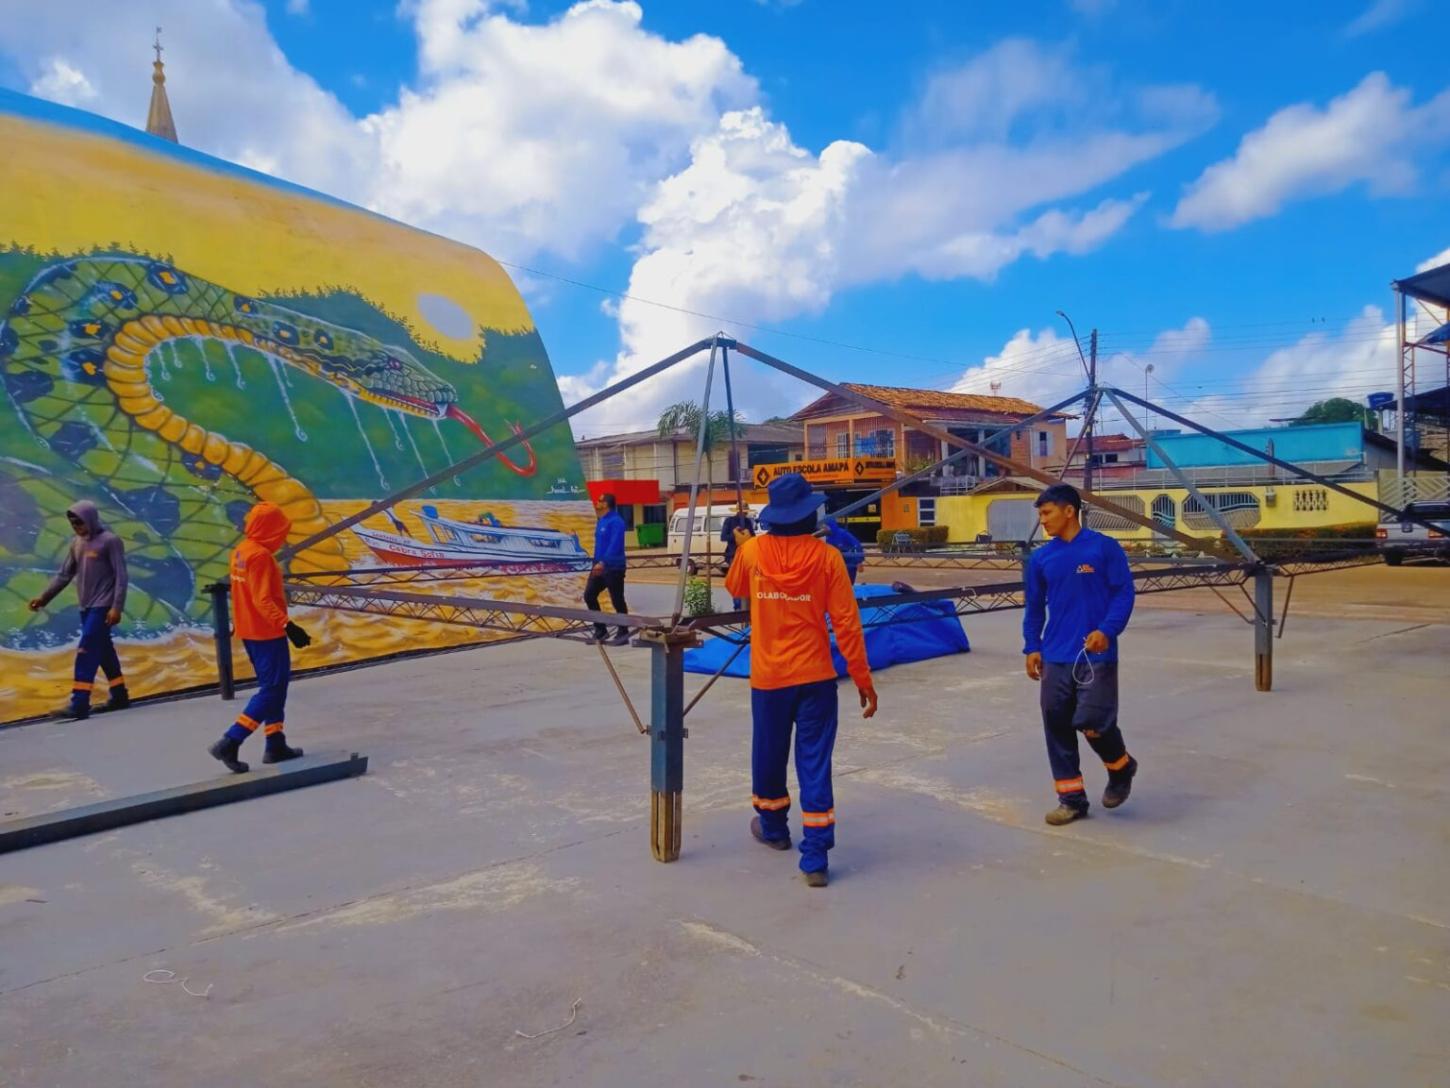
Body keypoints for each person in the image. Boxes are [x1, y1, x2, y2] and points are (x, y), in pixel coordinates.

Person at [726, 473, 878, 888]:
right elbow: (846, 623)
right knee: (814, 761)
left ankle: (774, 828)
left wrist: (745, 555)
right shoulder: (828, 558)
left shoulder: (753, 553)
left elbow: (734, 586)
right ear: (809, 512)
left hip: (769, 677)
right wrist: (863, 679)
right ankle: (814, 857)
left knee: (768, 752)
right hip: (815, 677)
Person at [1022, 483, 1138, 826]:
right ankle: (1071, 799)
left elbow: (1123, 593)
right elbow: (1033, 608)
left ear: (1069, 511)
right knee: (1057, 726)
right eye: (1040, 514)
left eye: (1047, 513)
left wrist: (1108, 630)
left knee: (1093, 722)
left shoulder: (1104, 549)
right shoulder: (1042, 558)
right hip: (1055, 656)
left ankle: (1121, 767)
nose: (1042, 521)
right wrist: (1032, 646)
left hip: (1095, 655)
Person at [208, 502, 310, 774]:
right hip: (267, 633)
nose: (282, 538)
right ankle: (231, 740)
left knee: (275, 687)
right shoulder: (262, 557)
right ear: (269, 530)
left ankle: (275, 742)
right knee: (272, 690)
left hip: (249, 631)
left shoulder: (241, 551)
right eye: (279, 531)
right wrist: (288, 625)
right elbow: (263, 599)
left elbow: (241, 594)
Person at [27, 500, 131, 720]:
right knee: (103, 650)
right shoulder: (77, 543)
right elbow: (64, 575)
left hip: (102, 606)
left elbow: (121, 577)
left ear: (91, 519)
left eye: (80, 522)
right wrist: (44, 598)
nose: (76, 527)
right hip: (85, 606)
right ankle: (119, 694)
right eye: (73, 523)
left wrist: (116, 607)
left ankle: (79, 703)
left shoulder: (110, 541)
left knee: (86, 649)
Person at [584, 492, 629, 646]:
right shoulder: (601, 521)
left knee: (617, 599)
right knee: (589, 595)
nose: (597, 502)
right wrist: (594, 562)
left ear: (607, 504)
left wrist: (603, 562)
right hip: (598, 566)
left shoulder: (617, 522)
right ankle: (601, 629)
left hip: (613, 567)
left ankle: (623, 632)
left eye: (600, 500)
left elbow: (615, 545)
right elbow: (599, 546)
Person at [720, 501, 756, 608]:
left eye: (745, 512)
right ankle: (738, 607)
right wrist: (735, 534)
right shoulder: (729, 521)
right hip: (733, 555)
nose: (744, 514)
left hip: (747, 555)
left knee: (747, 581)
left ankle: (747, 607)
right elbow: (723, 537)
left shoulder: (748, 522)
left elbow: (753, 536)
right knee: (736, 581)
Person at [817, 516, 865, 584]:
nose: (822, 529)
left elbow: (857, 545)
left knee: (848, 584)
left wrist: (859, 561)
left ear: (829, 525)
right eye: (821, 527)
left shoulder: (843, 534)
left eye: (824, 527)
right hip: (835, 565)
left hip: (849, 564)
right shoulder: (824, 537)